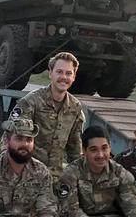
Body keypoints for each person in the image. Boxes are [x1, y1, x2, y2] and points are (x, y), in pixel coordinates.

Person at [12, 52, 84, 182]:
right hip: (27, 175)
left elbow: (75, 150)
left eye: (68, 73)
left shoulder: (75, 108)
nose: (64, 77)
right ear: (50, 73)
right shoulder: (32, 101)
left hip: (54, 179)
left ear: (74, 77)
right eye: (59, 72)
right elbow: (12, 139)